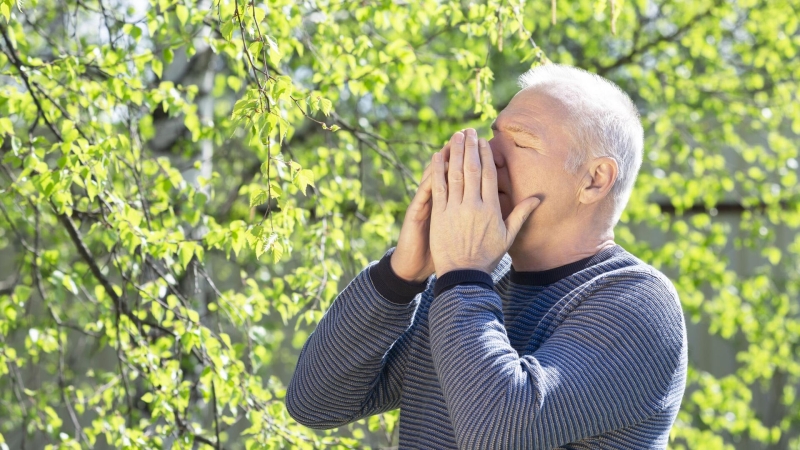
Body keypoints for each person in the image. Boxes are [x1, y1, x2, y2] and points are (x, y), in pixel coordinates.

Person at [286, 64, 688, 449]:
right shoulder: (470, 282)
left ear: (594, 179)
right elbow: (315, 403)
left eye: (521, 141)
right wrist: (399, 277)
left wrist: (462, 273)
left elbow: (496, 432)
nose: (486, 155)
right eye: (493, 136)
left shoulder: (638, 304)